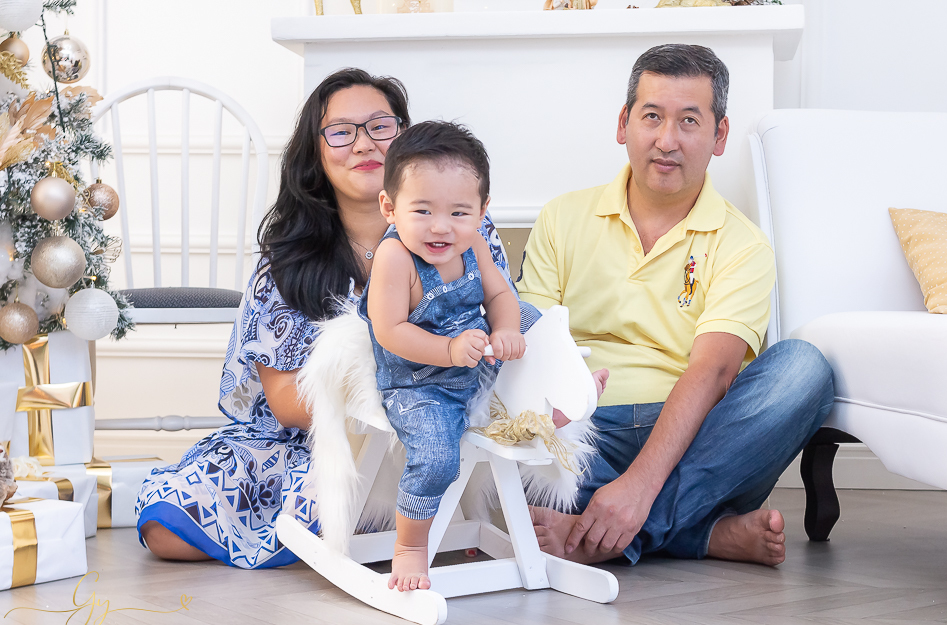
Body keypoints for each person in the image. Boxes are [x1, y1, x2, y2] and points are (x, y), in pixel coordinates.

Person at [134, 69, 515, 569]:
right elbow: (287, 403)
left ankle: (403, 513)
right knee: (168, 529)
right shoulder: (289, 259)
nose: (363, 143)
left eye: (380, 126)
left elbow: (501, 312)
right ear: (316, 151)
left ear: (404, 137)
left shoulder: (463, 229)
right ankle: (347, 519)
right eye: (340, 131)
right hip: (322, 435)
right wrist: (384, 400)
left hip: (445, 408)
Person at [520, 44, 835, 567]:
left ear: (719, 135)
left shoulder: (743, 245)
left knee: (804, 370)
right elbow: (533, 344)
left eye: (689, 121)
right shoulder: (562, 217)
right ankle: (701, 533)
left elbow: (714, 372)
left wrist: (639, 486)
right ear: (623, 124)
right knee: (501, 455)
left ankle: (610, 531)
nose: (667, 141)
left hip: (697, 437)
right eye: (651, 117)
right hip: (585, 431)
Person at [360, 121, 529, 591]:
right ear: (390, 208)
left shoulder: (474, 243)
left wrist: (506, 328)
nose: (441, 226)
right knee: (436, 457)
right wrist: (449, 350)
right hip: (419, 384)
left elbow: (500, 294)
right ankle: (410, 547)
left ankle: (559, 392)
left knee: (534, 318)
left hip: (476, 357)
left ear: (482, 211)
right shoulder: (395, 258)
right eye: (422, 210)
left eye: (458, 212)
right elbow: (390, 331)